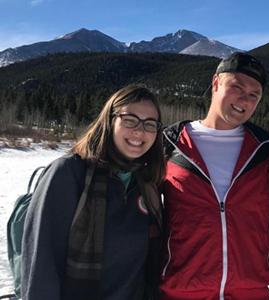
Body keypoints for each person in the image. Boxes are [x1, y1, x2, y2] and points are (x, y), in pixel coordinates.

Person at [21, 85, 165, 300]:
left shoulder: (146, 184)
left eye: (150, 124)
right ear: (109, 121)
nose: (139, 131)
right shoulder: (69, 173)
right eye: (129, 120)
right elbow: (41, 261)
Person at [159, 52, 269, 300]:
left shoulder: (268, 151)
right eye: (236, 87)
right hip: (182, 293)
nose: (244, 99)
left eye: (253, 95)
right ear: (215, 83)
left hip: (249, 293)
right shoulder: (170, 145)